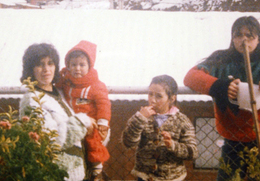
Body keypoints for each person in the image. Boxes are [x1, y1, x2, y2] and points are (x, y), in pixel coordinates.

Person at [183, 16, 260, 181]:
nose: (244, 39)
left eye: (250, 35)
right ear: (232, 38)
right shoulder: (222, 60)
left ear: (258, 38)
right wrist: (220, 86)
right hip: (233, 139)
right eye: (238, 35)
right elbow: (191, 76)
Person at [19, 43, 96, 181]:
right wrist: (83, 122)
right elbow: (51, 139)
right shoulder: (32, 100)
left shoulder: (62, 93)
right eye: (39, 64)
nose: (46, 69)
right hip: (56, 175)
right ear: (31, 69)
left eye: (50, 63)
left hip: (78, 173)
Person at [122, 74, 198, 181]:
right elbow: (128, 142)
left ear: (171, 98)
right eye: (150, 94)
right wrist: (139, 119)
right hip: (144, 178)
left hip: (172, 178)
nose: (152, 100)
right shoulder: (141, 117)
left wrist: (173, 145)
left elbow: (192, 153)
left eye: (159, 96)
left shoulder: (182, 121)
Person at [56, 40, 111, 181]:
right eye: (73, 65)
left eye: (82, 65)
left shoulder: (95, 85)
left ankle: (96, 165)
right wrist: (62, 75)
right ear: (68, 66)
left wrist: (103, 123)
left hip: (90, 123)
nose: (77, 69)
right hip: (73, 122)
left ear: (89, 66)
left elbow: (104, 104)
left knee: (93, 141)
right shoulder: (67, 81)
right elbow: (57, 84)